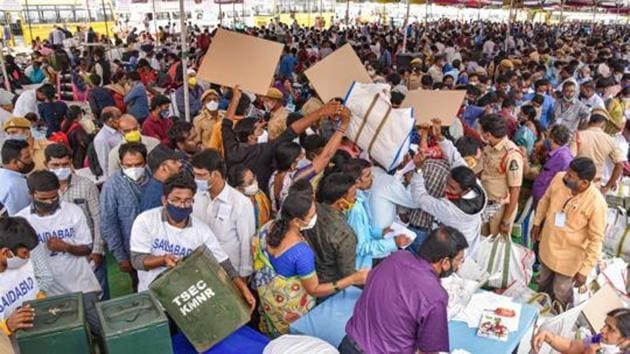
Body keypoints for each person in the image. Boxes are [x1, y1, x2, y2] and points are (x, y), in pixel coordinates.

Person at [252, 180, 368, 337]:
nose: (316, 217)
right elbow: (314, 290)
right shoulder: (301, 252)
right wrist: (352, 279)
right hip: (290, 309)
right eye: (312, 215)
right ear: (297, 221)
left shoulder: (267, 228)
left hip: (269, 302)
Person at [129, 173, 256, 312]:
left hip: (186, 303)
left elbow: (224, 264)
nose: (182, 205)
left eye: (187, 201)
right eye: (176, 200)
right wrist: (163, 260)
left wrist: (243, 288)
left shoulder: (201, 230)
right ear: (165, 200)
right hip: (153, 300)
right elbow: (137, 261)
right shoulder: (146, 221)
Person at [341, 226, 468, 354]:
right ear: (445, 262)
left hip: (349, 344)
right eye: (459, 260)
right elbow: (428, 351)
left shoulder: (397, 257)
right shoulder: (436, 296)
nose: (459, 265)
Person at [16, 171, 102, 336]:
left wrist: (66, 247)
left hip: (81, 284)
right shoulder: (22, 221)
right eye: (43, 198)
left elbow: (87, 248)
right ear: (31, 194)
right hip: (48, 292)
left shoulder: (72, 211)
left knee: (100, 328)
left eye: (54, 197)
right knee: (66, 336)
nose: (50, 201)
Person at [222, 87, 342, 193]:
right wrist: (321, 112)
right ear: (251, 136)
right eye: (258, 125)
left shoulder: (231, 150)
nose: (262, 124)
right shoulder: (264, 150)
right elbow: (292, 131)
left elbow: (226, 124)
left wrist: (236, 98)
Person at [532, 157, 607, 307]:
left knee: (561, 295)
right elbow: (545, 200)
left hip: (569, 260)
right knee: (542, 288)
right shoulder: (559, 178)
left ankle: (556, 324)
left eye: (571, 176)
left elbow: (596, 240)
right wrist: (537, 223)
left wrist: (584, 270)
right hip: (547, 248)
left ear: (584, 183)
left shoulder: (597, 203)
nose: (565, 176)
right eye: (567, 172)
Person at [410, 122, 487, 256]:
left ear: (465, 190)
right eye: (447, 183)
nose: (445, 189)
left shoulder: (450, 209)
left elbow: (420, 198)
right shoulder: (476, 186)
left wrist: (419, 169)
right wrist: (440, 137)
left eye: (452, 187)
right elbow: (455, 157)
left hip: (455, 249)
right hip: (467, 240)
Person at [44, 143, 107, 299]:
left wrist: (97, 250)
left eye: (65, 164)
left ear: (71, 163)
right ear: (46, 165)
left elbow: (98, 218)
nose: (60, 168)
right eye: (55, 165)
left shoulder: (86, 186)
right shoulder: (42, 191)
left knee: (99, 298)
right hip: (60, 260)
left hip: (89, 254)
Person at [191, 149, 256, 278]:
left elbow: (246, 241)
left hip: (230, 272)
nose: (196, 179)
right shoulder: (195, 197)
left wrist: (244, 274)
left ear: (215, 174)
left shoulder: (240, 203)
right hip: (201, 268)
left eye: (201, 175)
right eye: (195, 174)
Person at [100, 142, 150, 291]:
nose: (133, 169)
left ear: (145, 162)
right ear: (121, 164)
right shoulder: (112, 186)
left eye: (138, 164)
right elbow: (108, 223)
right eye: (128, 165)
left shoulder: (155, 178)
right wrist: (120, 257)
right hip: (132, 250)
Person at [342, 158, 406, 268]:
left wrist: (380, 232)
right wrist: (393, 243)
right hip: (363, 265)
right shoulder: (355, 208)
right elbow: (361, 247)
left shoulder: (361, 198)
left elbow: (363, 230)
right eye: (367, 176)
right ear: (357, 182)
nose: (372, 178)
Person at [304, 172, 358, 286]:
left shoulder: (310, 211)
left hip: (309, 275)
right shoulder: (345, 234)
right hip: (330, 284)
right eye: (353, 195)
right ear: (341, 203)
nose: (356, 198)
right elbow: (348, 273)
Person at [478, 114, 524, 237]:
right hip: (485, 203)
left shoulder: (511, 155)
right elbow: (480, 169)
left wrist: (506, 220)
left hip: (500, 208)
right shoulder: (489, 146)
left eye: (481, 130)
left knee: (496, 247)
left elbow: (515, 189)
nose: (479, 132)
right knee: (483, 241)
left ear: (488, 135)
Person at [0, 216, 38, 346]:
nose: (28, 257)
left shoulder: (23, 264)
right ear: (6, 252)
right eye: (24, 253)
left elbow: (35, 291)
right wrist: (7, 326)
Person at [570, 108, 624, 194]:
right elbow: (620, 165)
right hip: (594, 186)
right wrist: (607, 187)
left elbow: (570, 158)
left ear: (590, 121)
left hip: (574, 183)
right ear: (604, 123)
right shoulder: (610, 140)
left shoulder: (579, 135)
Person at [532, 308, 630, 354]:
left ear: (626, 340)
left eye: (611, 329)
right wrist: (549, 337)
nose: (602, 330)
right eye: (605, 324)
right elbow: (571, 346)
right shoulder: (598, 338)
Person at [532, 124, 573, 206]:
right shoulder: (555, 153)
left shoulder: (564, 159)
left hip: (546, 202)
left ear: (553, 138)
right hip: (540, 198)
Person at [227, 164, 272, 230]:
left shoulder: (259, 194)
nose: (255, 182)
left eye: (254, 177)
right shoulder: (236, 207)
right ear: (239, 189)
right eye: (250, 182)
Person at [139, 145, 183, 212]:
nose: (180, 164)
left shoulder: (163, 187)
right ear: (163, 168)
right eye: (174, 162)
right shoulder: (154, 197)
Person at [0, 140, 34, 215]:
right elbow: (21, 216)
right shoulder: (15, 185)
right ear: (15, 162)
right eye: (27, 157)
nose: (31, 159)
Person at [92, 107, 123, 174]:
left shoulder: (120, 129)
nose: (121, 119)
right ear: (110, 121)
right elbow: (105, 163)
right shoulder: (101, 139)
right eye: (118, 117)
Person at [193, 89, 224, 153]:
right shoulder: (199, 120)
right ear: (204, 103)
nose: (212, 102)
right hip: (209, 154)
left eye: (215, 99)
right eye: (209, 100)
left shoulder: (224, 116)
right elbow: (198, 141)